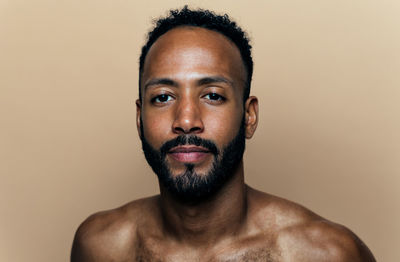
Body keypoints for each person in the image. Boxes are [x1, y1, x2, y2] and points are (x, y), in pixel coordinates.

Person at [71, 6, 375, 261]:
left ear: (249, 116)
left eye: (213, 95)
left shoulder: (323, 254)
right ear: (139, 118)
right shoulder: (102, 246)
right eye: (163, 97)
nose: (186, 120)